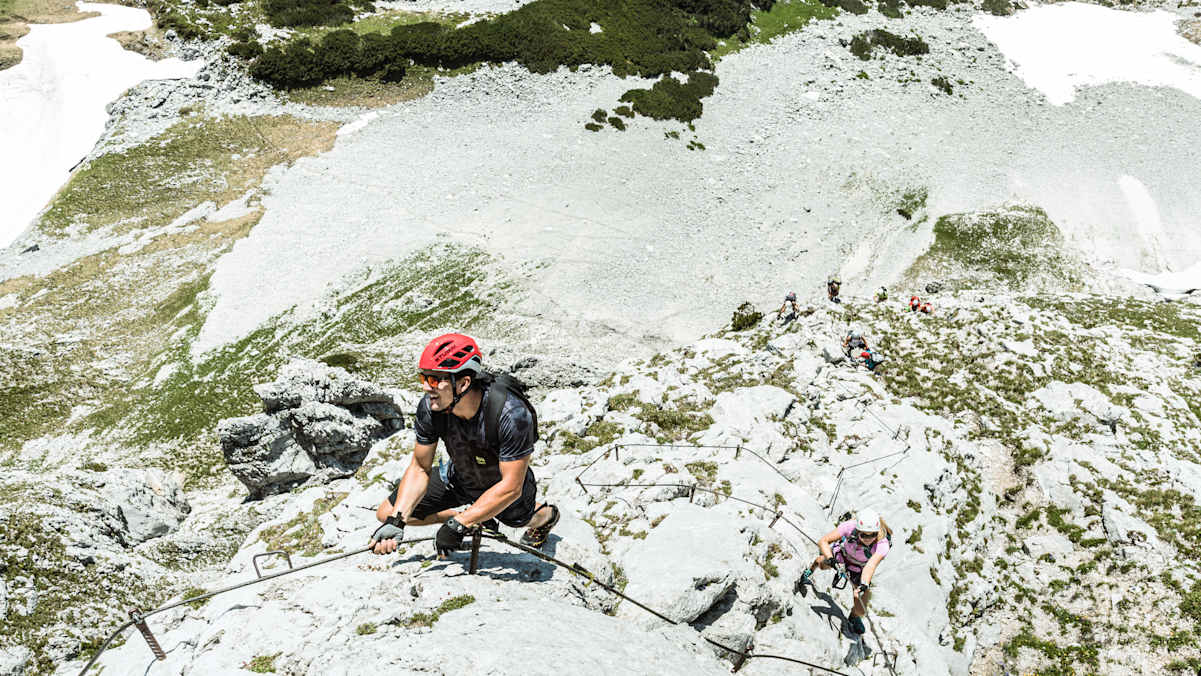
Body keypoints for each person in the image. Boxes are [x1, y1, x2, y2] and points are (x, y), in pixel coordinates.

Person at [370, 333, 559, 560]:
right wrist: (397, 520)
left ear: (463, 383)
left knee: (520, 519)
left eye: (434, 380)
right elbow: (420, 467)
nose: (426, 388)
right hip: (459, 477)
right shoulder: (431, 408)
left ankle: (547, 516)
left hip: (503, 486)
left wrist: (460, 524)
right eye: (424, 379)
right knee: (386, 512)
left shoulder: (511, 413)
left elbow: (511, 487)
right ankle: (475, 515)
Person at [801, 510, 893, 635]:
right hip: (841, 557)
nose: (868, 539)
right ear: (858, 530)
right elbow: (823, 541)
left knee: (861, 609)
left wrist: (864, 584)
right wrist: (830, 558)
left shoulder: (882, 544)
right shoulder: (850, 526)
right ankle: (810, 569)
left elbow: (871, 566)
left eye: (872, 535)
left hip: (859, 568)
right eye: (864, 535)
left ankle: (854, 617)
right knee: (821, 564)